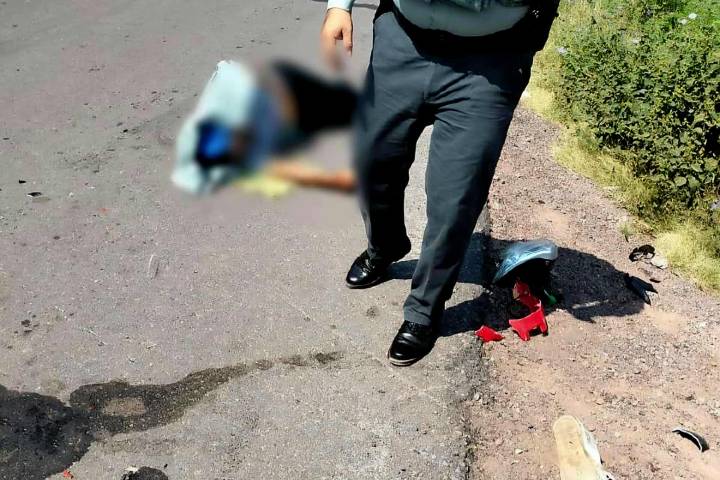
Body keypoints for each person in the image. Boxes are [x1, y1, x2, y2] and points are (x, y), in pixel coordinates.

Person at [320, 0, 559, 366]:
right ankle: (385, 246)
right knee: (372, 163)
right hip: (404, 40)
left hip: (491, 60)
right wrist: (339, 6)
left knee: (455, 199)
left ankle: (424, 309)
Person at [172, 60, 357, 195]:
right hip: (288, 110)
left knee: (342, 106)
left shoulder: (225, 107)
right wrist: (333, 181)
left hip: (287, 93)